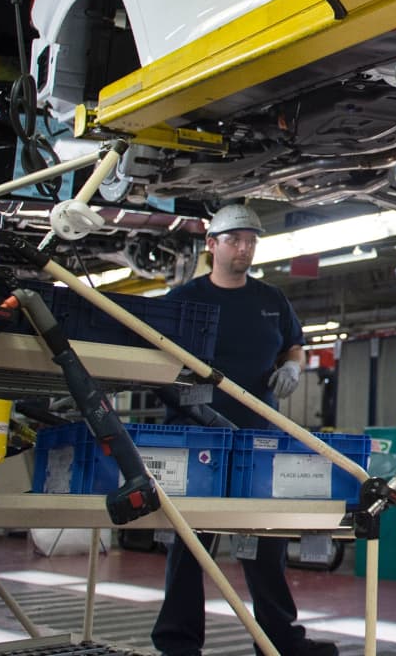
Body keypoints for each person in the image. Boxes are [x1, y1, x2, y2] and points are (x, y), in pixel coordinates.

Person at [151, 204, 334, 656]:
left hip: (258, 438)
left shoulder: (271, 300)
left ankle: (279, 641)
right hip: (199, 438)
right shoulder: (184, 301)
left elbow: (294, 345)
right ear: (212, 245)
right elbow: (154, 360)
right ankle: (178, 642)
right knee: (191, 545)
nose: (245, 248)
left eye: (251, 240)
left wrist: (294, 366)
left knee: (263, 546)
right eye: (235, 240)